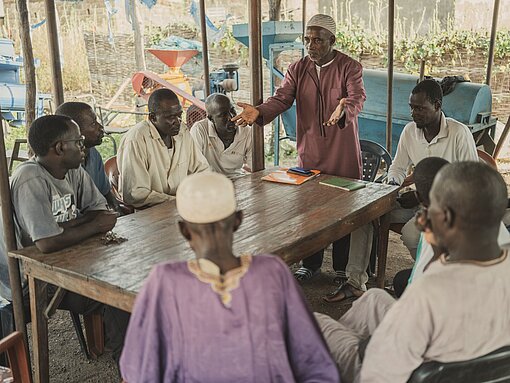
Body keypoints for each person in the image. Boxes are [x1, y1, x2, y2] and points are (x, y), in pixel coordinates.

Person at [119, 172, 340, 383]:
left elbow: (139, 370)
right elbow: (312, 356)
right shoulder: (273, 271)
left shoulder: (164, 281)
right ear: (238, 220)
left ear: (184, 230)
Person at [315, 161, 510, 382]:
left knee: (314, 325)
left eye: (429, 208)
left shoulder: (430, 291)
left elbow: (376, 373)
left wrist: (364, 346)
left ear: (445, 218)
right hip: (469, 360)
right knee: (374, 297)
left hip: (397, 371)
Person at [233, 13, 366, 284]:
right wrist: (258, 112)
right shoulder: (297, 68)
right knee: (310, 209)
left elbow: (357, 97)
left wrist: (344, 109)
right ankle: (311, 264)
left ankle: (341, 267)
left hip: (342, 151)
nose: (311, 44)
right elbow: (282, 98)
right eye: (307, 39)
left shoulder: (349, 67)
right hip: (311, 149)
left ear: (332, 40)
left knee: (344, 209)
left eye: (317, 40)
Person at [0, 114, 117, 342]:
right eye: (78, 141)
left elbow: (100, 211)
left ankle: (128, 361)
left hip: (63, 263)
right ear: (60, 148)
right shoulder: (30, 177)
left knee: (115, 294)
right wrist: (90, 224)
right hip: (26, 279)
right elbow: (47, 243)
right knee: (109, 294)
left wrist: (66, 226)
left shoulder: (73, 170)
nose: (83, 147)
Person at [386, 79, 478, 259]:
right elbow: (398, 167)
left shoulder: (458, 133)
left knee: (412, 235)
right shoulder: (409, 131)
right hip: (419, 201)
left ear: (437, 105)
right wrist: (393, 183)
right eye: (411, 107)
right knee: (368, 218)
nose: (413, 113)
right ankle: (356, 278)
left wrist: (424, 196)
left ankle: (432, 272)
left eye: (420, 108)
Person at [393, 157, 510, 297]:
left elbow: (424, 285)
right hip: (495, 289)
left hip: (466, 298)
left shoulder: (436, 225)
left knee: (387, 291)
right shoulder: (480, 209)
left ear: (418, 197)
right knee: (401, 280)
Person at [117, 88, 209, 208]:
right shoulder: (136, 140)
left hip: (183, 206)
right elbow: (135, 194)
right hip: (149, 214)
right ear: (153, 118)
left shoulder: (183, 131)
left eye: (179, 115)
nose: (177, 121)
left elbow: (202, 170)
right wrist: (176, 201)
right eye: (170, 117)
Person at [55, 101, 130, 215]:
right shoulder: (61, 167)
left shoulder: (93, 154)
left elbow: (106, 194)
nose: (100, 127)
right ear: (75, 130)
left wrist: (118, 213)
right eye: (93, 124)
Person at [191, 93, 252, 178]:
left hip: (237, 180)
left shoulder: (246, 132)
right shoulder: (199, 130)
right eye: (223, 115)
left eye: (232, 110)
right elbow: (195, 168)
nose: (231, 117)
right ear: (211, 119)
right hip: (209, 182)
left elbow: (255, 166)